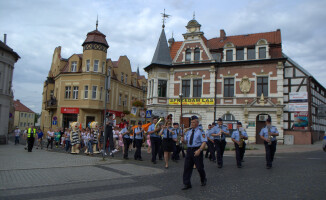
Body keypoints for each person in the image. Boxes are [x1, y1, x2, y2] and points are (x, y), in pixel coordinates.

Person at [181, 116, 207, 190]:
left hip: (197, 149)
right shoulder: (188, 131)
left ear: (197, 123)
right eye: (191, 122)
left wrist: (200, 150)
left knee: (199, 167)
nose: (192, 124)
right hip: (189, 150)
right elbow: (186, 142)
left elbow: (204, 141)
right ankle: (187, 183)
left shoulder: (201, 131)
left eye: (193, 122)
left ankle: (203, 179)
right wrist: (183, 141)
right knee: (187, 167)